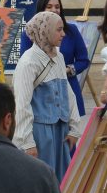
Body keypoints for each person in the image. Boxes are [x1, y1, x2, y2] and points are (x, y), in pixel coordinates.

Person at [13, 12, 83, 182]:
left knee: (61, 182)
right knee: (42, 182)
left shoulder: (58, 56)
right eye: (59, 30)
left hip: (60, 132)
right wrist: (27, 142)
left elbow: (68, 93)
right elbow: (22, 104)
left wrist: (74, 127)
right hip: (40, 133)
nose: (63, 34)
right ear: (45, 31)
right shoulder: (29, 62)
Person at [20, 0, 90, 116]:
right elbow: (24, 63)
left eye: (57, 7)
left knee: (70, 132)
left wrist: (67, 69)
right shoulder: (30, 33)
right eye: (49, 6)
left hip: (68, 87)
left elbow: (83, 60)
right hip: (41, 91)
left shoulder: (71, 30)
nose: (54, 10)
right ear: (41, 9)